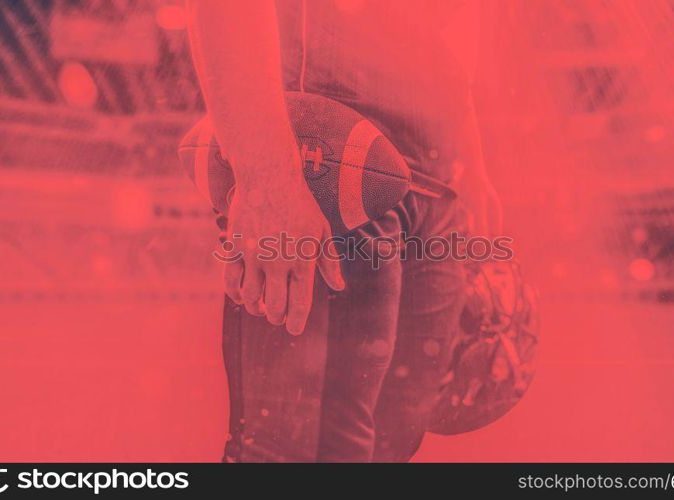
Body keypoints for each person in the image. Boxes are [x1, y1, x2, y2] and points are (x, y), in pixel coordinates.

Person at [185, 0, 501, 462]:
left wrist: (467, 151)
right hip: (333, 150)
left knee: (385, 445)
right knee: (300, 453)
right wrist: (266, 176)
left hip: (432, 174)